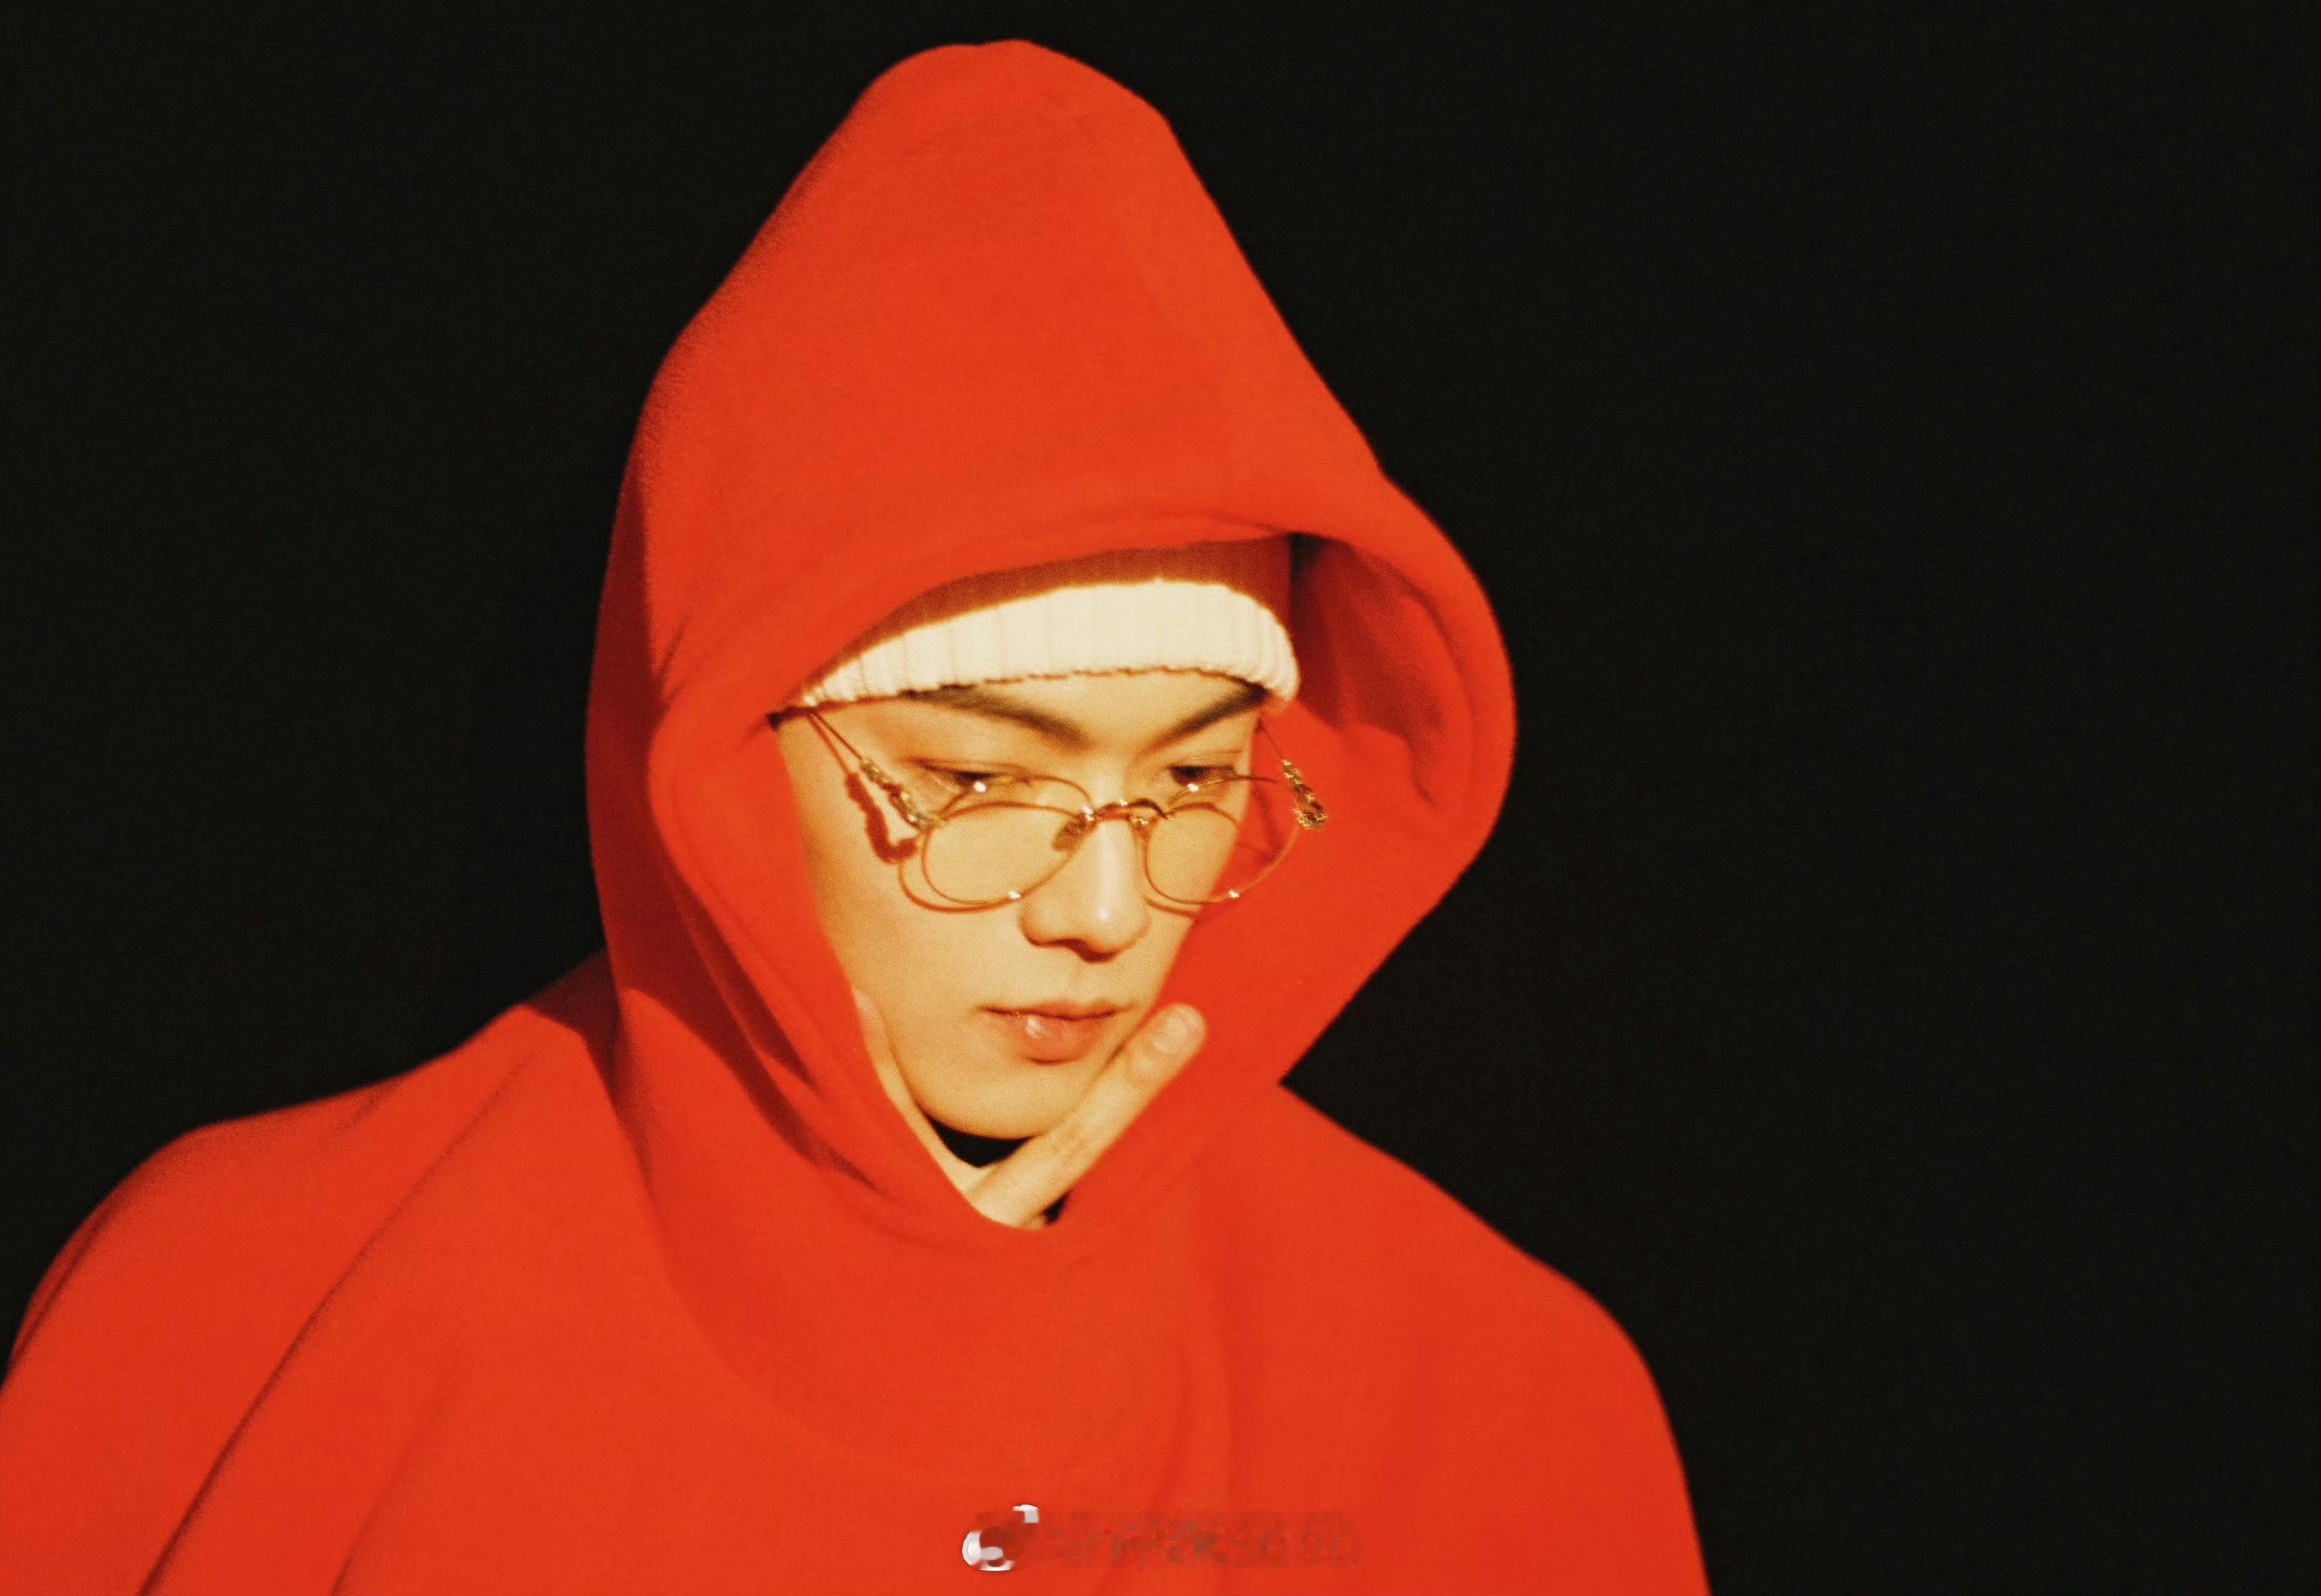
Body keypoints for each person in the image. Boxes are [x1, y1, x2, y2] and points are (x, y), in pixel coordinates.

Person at [0, 39, 1709, 1593]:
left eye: (1193, 780)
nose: (1106, 911)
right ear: (730, 757)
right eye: (979, 781)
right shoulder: (233, 1303)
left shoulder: (1490, 1401)